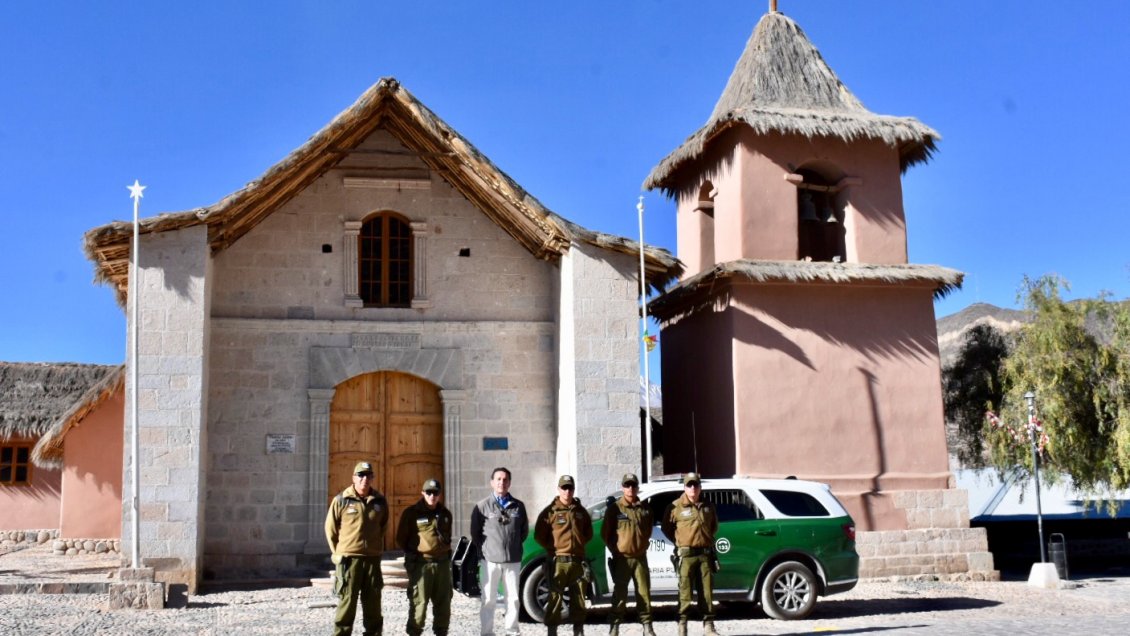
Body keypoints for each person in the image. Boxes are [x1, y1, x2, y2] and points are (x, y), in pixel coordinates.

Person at [325, 461, 390, 636]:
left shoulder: (380, 501)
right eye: (360, 475)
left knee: (373, 605)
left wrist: (373, 544)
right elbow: (330, 528)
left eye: (368, 475)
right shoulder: (341, 500)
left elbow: (383, 526)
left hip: (372, 560)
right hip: (349, 560)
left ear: (372, 478)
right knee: (347, 603)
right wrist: (337, 552)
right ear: (354, 477)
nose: (364, 479)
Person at [470, 467, 529, 636]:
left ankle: (511, 630)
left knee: (513, 599)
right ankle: (487, 632)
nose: (501, 482)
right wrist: (486, 551)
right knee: (488, 599)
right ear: (492, 482)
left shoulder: (519, 506)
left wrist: (513, 546)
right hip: (490, 561)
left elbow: (523, 531)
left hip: (512, 561)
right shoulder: (481, 506)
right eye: (498, 479)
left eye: (505, 479)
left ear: (509, 483)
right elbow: (475, 533)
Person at [661, 472, 720, 636]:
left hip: (705, 555)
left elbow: (714, 526)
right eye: (689, 485)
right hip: (686, 556)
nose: (692, 488)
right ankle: (682, 626)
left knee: (707, 592)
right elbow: (667, 528)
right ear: (684, 487)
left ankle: (709, 626)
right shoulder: (675, 507)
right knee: (685, 592)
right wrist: (680, 541)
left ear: (700, 487)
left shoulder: (708, 506)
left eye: (695, 485)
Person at [534, 475, 594, 636]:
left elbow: (588, 533)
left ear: (573, 489)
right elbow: (539, 535)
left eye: (570, 488)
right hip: (557, 562)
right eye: (564, 488)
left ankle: (578, 630)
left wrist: (578, 545)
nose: (567, 491)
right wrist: (553, 549)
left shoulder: (580, 511)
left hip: (577, 562)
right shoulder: (550, 511)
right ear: (559, 489)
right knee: (554, 599)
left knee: (579, 599)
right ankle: (552, 631)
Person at [396, 478, 454, 636]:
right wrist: (413, 555)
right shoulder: (411, 513)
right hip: (422, 565)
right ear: (423, 493)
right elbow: (401, 538)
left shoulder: (445, 514)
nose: (432, 496)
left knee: (443, 605)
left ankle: (441, 632)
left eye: (435, 493)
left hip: (442, 565)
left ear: (440, 495)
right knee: (419, 605)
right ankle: (414, 632)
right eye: (429, 492)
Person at [600, 473, 655, 636]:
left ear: (637, 487)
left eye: (633, 485)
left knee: (644, 593)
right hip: (622, 559)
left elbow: (648, 530)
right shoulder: (615, 509)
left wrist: (642, 544)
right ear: (622, 487)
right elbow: (605, 533)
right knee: (620, 594)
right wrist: (616, 550)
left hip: (640, 558)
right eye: (627, 485)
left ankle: (647, 626)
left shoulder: (645, 509)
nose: (630, 488)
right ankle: (615, 626)